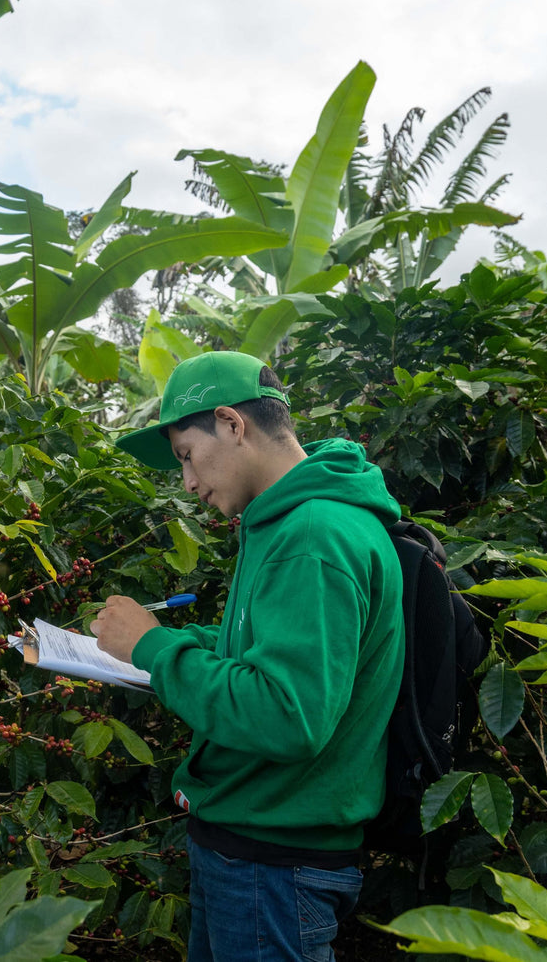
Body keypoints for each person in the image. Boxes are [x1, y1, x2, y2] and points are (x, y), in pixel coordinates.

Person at [90, 351, 404, 962]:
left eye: (186, 456)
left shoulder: (311, 536)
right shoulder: (287, 522)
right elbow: (261, 656)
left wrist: (154, 647)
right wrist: (159, 647)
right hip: (254, 848)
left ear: (233, 424)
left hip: (275, 866)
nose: (187, 481)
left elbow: (288, 714)